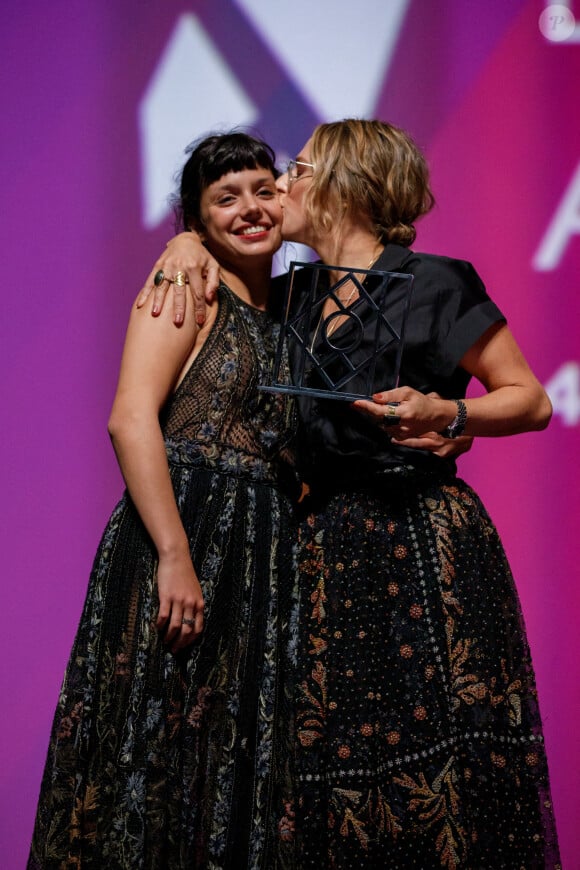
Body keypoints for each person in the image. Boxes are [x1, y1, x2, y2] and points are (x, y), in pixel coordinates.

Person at [140, 119, 561, 868]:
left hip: (427, 552)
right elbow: (220, 260)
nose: (280, 189)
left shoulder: (435, 281)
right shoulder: (291, 295)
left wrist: (450, 413)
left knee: (443, 771)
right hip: (322, 552)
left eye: (295, 170)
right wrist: (184, 242)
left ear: (343, 186)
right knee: (325, 772)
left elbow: (530, 400)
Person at [28, 133, 301, 869]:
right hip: (179, 535)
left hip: (260, 559)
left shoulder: (295, 312)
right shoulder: (184, 284)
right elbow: (130, 417)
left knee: (228, 761)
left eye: (262, 188)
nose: (250, 208)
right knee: (147, 749)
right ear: (198, 218)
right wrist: (174, 557)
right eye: (225, 198)